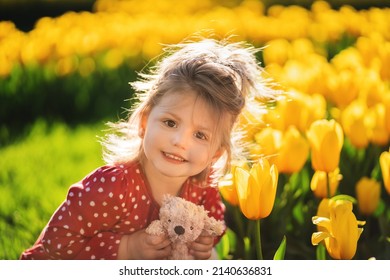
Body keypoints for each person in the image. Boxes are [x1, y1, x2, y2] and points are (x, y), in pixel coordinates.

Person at [20, 37, 275, 260]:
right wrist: (125, 249)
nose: (180, 141)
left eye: (200, 135)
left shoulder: (202, 187)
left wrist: (205, 243)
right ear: (144, 122)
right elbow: (56, 243)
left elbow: (215, 222)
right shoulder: (112, 187)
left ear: (215, 153)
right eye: (170, 122)